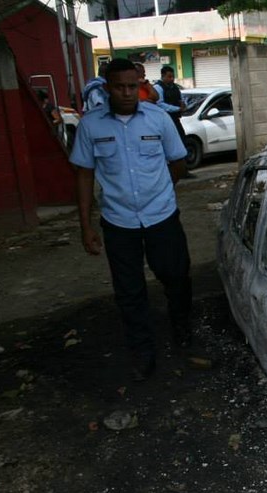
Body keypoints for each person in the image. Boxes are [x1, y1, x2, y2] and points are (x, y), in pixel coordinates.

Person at [69, 58, 191, 382]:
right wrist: (86, 226)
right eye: (119, 87)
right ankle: (143, 353)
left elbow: (178, 163)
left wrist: (161, 190)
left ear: (139, 85)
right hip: (118, 222)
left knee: (177, 278)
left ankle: (184, 337)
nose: (126, 93)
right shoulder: (91, 126)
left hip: (162, 216)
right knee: (129, 291)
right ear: (107, 88)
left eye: (131, 86)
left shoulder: (159, 119)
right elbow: (84, 175)